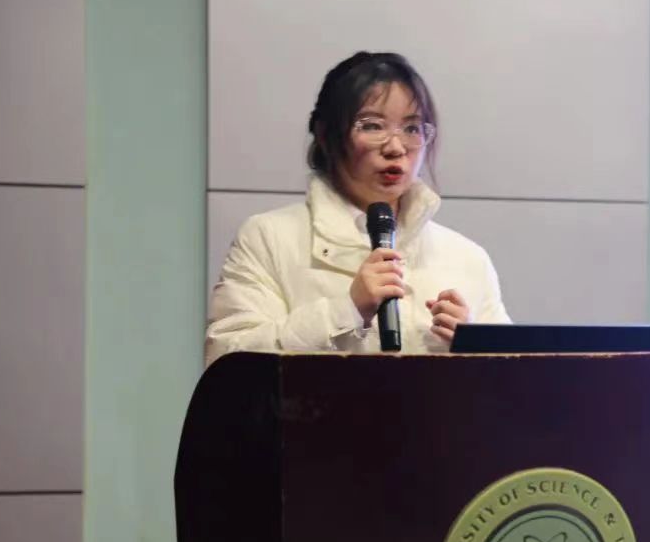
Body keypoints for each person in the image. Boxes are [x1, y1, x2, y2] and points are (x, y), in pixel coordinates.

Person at [205, 52, 510, 366]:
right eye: (372, 125)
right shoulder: (269, 237)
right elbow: (225, 360)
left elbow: (517, 385)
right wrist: (345, 310)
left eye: (412, 128)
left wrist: (475, 346)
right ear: (326, 134)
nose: (395, 148)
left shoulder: (467, 258)